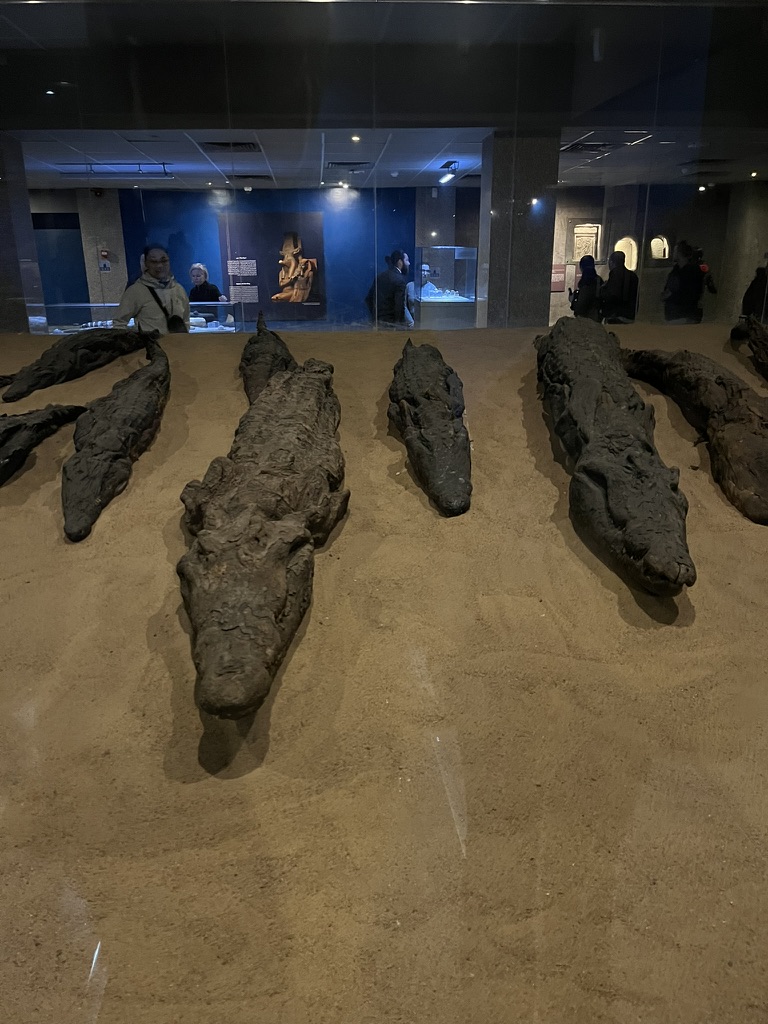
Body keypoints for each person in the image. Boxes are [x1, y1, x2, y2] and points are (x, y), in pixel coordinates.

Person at [114, 245, 190, 334]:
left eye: (164, 260)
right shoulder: (136, 291)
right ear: (146, 264)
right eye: (154, 262)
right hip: (151, 346)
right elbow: (119, 323)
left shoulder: (179, 289)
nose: (159, 265)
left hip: (178, 345)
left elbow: (186, 321)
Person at [661, 241, 704, 324]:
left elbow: (672, 290)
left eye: (674, 251)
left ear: (679, 253)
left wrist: (665, 296)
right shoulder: (677, 271)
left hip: (682, 315)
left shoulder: (689, 272)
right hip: (678, 314)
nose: (673, 254)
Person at [365, 250, 410, 327]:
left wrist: (375, 317)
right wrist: (399, 325)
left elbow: (368, 299)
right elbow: (399, 306)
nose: (409, 263)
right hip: (391, 325)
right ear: (400, 262)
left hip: (377, 322)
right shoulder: (400, 280)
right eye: (407, 260)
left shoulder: (380, 276)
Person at [600, 250, 639, 324]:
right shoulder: (633, 276)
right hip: (630, 314)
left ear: (611, 262)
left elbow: (612, 294)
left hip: (616, 315)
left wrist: (603, 289)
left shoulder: (615, 274)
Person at [569, 254, 603, 321]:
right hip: (596, 318)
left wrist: (573, 300)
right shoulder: (599, 281)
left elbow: (581, 305)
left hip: (584, 319)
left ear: (581, 267)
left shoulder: (584, 282)